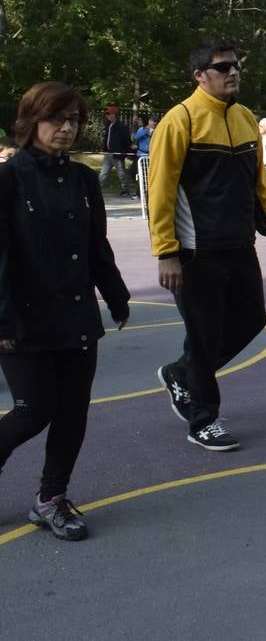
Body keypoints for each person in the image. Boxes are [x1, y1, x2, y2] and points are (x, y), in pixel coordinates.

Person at [0, 82, 131, 541]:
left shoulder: (81, 179)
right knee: (33, 411)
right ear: (30, 121)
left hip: (76, 314)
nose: (67, 128)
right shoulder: (9, 179)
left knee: (73, 411)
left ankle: (50, 498)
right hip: (24, 318)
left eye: (74, 119)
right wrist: (3, 319)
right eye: (57, 118)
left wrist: (116, 295)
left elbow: (96, 245)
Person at [148, 43, 266, 452]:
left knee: (251, 320)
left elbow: (257, 181)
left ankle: (181, 373)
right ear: (199, 75)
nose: (233, 72)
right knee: (204, 335)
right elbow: (161, 191)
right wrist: (166, 251)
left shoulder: (244, 118)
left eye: (236, 66)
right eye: (222, 67)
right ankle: (203, 420)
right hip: (195, 250)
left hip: (239, 244)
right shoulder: (180, 120)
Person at [98, 105, 134, 197]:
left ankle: (125, 190)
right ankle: (97, 189)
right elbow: (106, 139)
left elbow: (127, 140)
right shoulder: (108, 125)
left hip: (117, 154)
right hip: (108, 153)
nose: (107, 116)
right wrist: (105, 149)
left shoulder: (122, 127)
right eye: (106, 114)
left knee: (121, 173)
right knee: (103, 173)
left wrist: (126, 152)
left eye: (109, 114)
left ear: (114, 115)